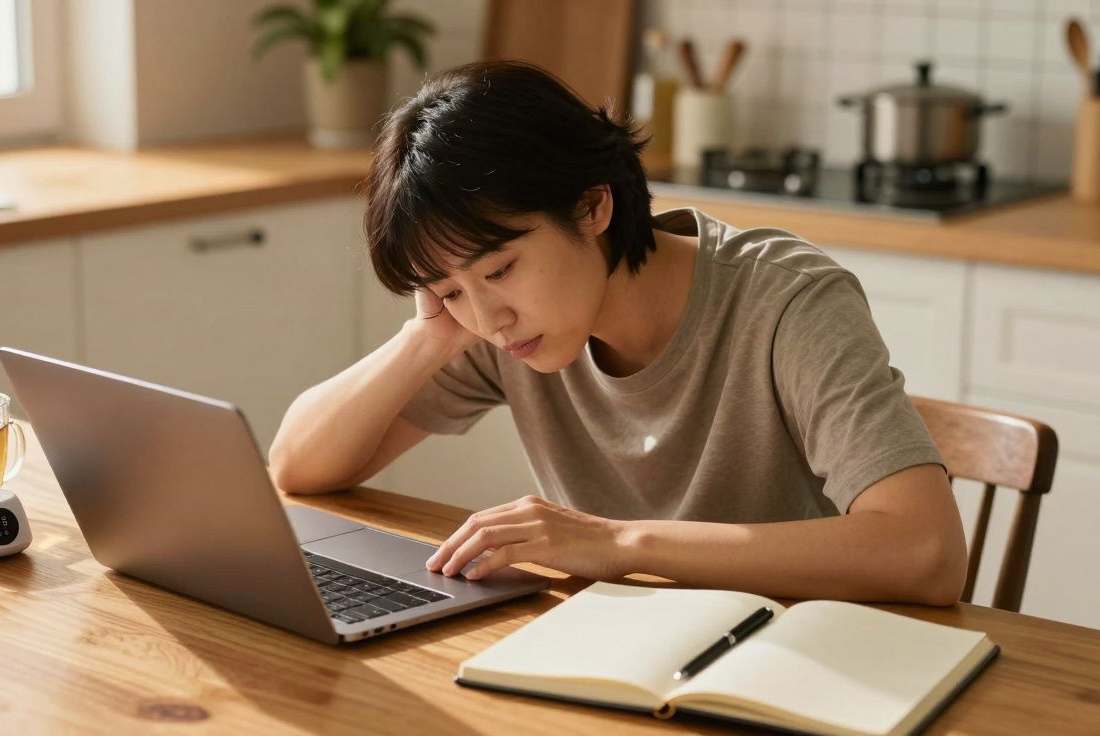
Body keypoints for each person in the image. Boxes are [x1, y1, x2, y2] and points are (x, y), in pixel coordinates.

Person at [268, 60, 968, 606]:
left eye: (502, 268)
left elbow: (925, 551)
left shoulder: (786, 302)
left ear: (593, 206)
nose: (487, 318)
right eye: (449, 289)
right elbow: (297, 467)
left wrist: (619, 543)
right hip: (620, 650)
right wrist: (427, 336)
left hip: (795, 662)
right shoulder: (493, 326)